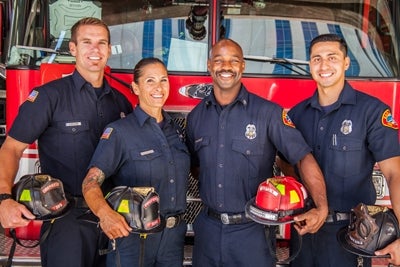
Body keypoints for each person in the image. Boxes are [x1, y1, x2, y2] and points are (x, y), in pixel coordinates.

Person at [0, 17, 133, 267]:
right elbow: (11, 148)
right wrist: (3, 199)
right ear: (73, 49)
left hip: (113, 218)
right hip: (66, 220)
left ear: (109, 49)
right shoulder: (48, 97)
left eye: (101, 43)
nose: (95, 49)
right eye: (87, 42)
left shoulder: (120, 103)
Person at [185, 38, 329, 267]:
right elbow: (196, 167)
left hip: (253, 232)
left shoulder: (268, 113)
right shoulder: (195, 118)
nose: (226, 67)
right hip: (208, 232)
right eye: (219, 60)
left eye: (234, 60)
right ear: (209, 65)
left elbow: (302, 158)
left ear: (242, 66)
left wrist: (320, 207)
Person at [276, 33, 400, 267]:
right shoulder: (295, 115)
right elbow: (284, 165)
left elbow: (395, 173)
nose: (324, 66)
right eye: (316, 59)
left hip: (353, 236)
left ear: (345, 63)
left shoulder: (372, 112)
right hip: (304, 232)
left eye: (332, 57)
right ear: (310, 64)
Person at [82, 57, 190, 267]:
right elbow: (90, 182)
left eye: (163, 80)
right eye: (150, 81)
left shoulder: (177, 131)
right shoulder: (120, 132)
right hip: (133, 237)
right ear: (135, 87)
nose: (158, 87)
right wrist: (105, 215)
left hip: (173, 238)